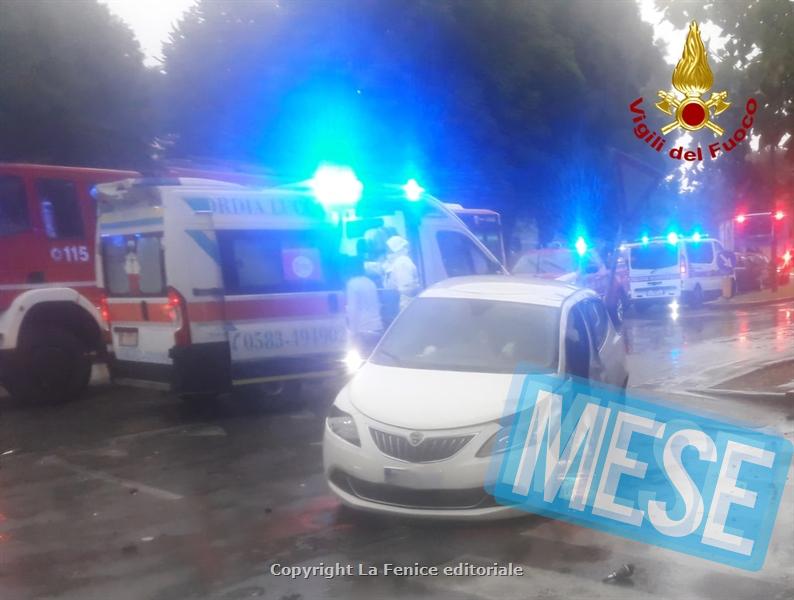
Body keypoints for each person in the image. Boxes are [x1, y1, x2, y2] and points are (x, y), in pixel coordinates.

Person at [344, 255, 383, 355]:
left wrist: (352, 332)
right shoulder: (370, 282)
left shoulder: (352, 284)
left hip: (362, 329)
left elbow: (353, 309)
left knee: (360, 358)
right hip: (377, 327)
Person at [384, 235, 419, 310]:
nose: (388, 253)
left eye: (390, 250)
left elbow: (406, 288)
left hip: (405, 305)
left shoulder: (402, 262)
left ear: (397, 248)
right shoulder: (397, 262)